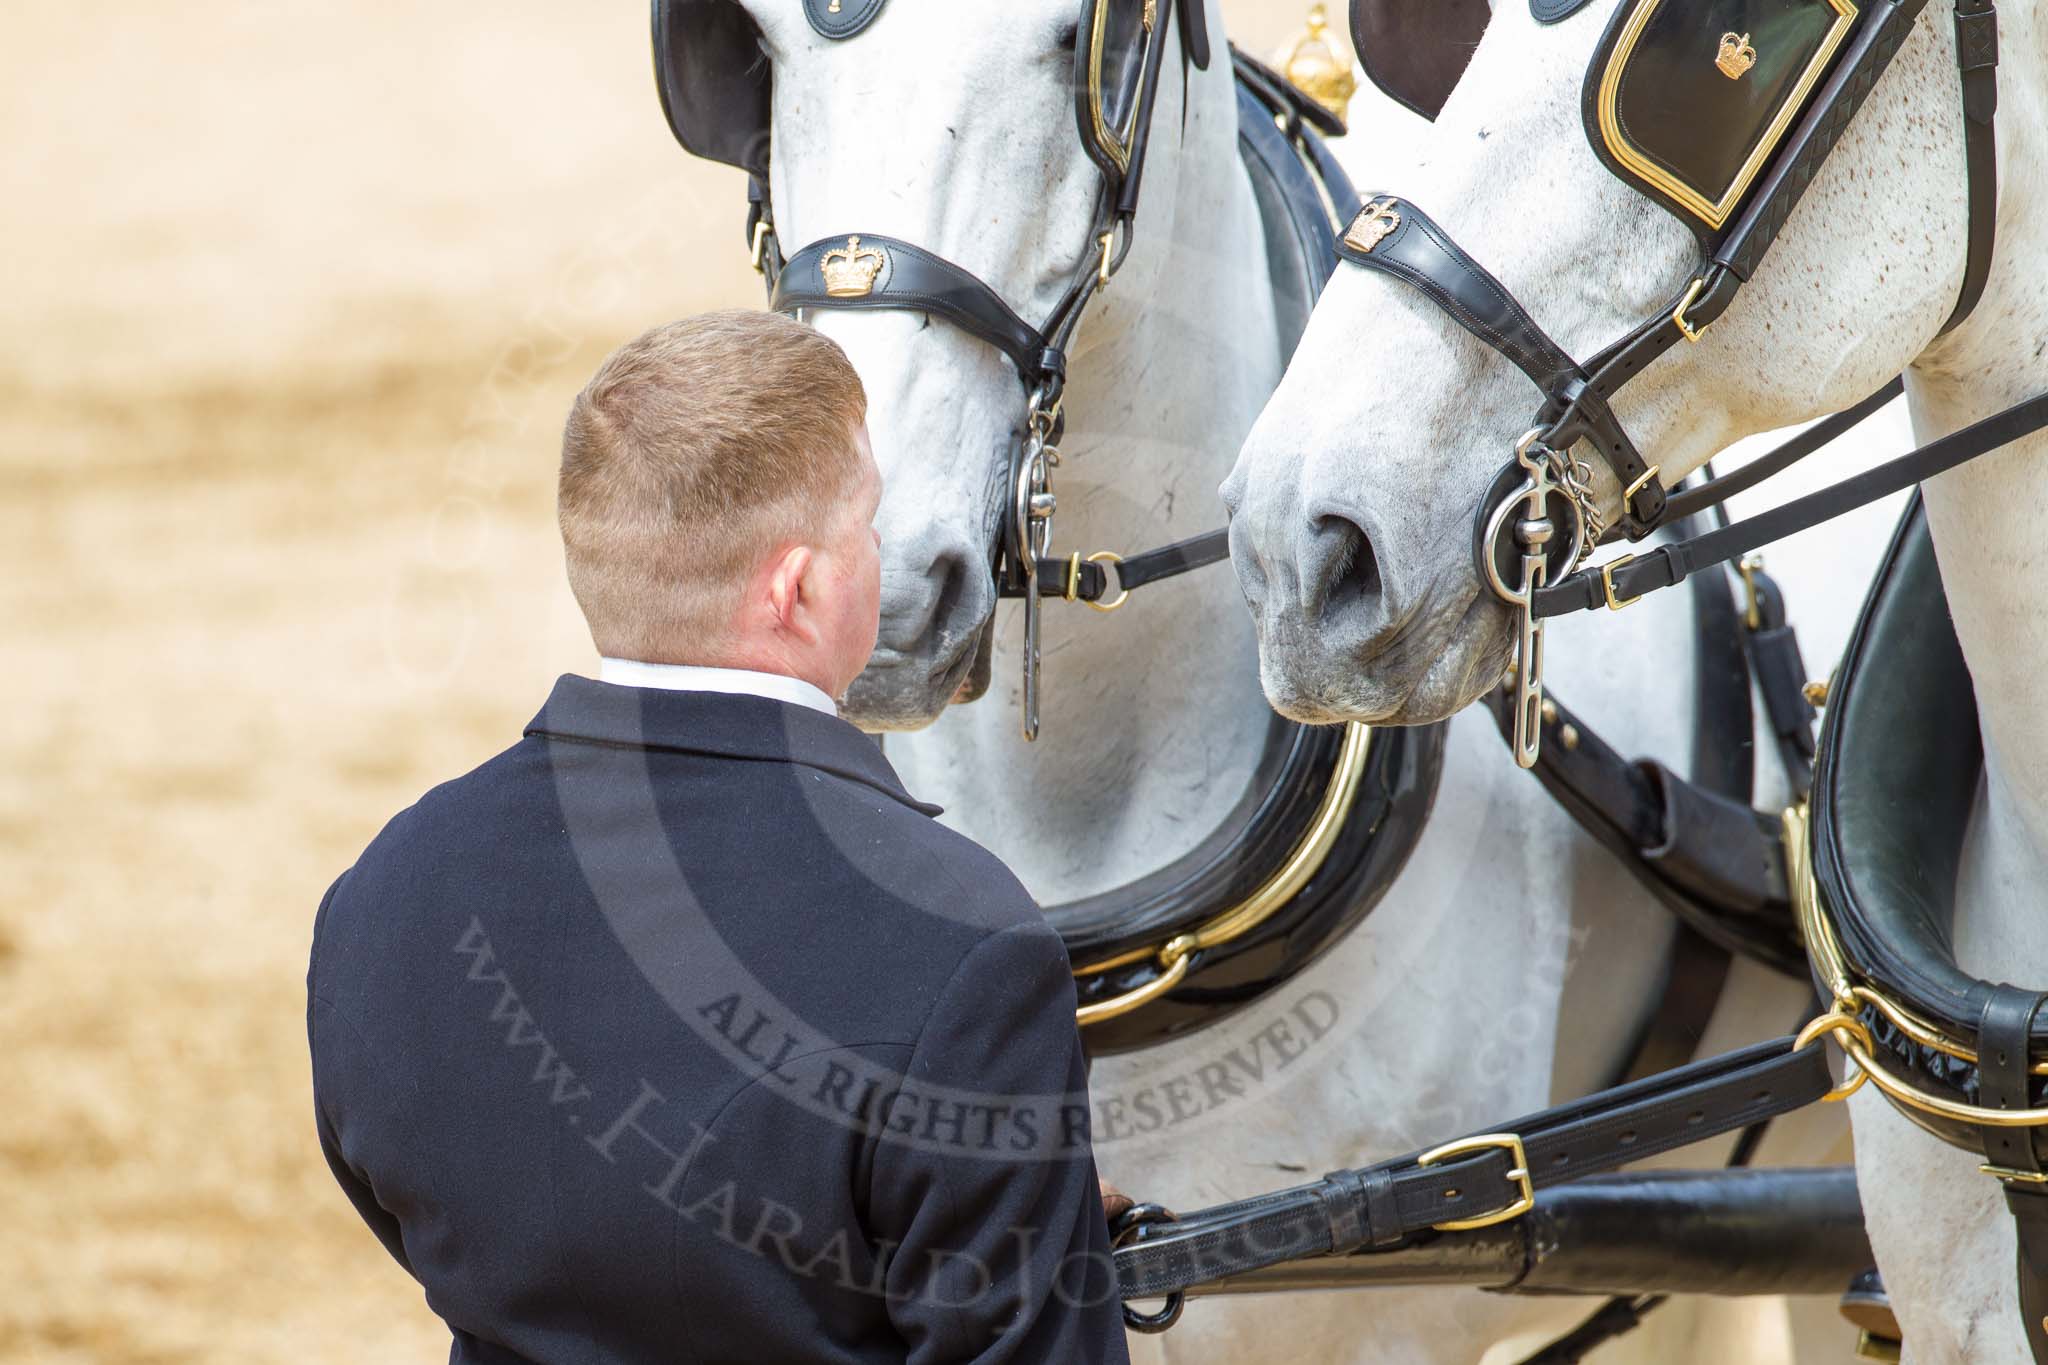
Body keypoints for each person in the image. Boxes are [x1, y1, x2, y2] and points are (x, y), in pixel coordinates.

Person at [307, 311, 1130, 1363]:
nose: (878, 554)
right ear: (797, 588)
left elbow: (426, 1218)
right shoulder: (964, 948)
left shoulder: (386, 892)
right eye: (866, 526)